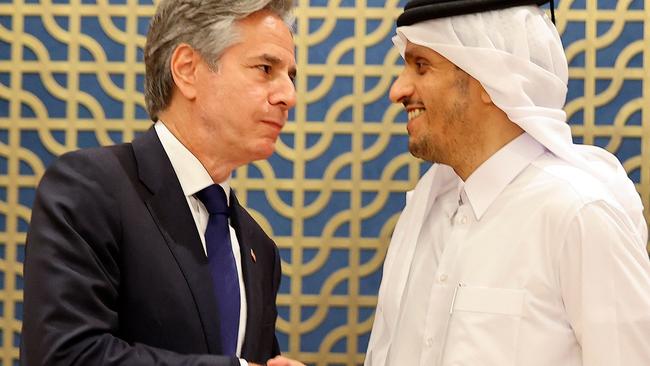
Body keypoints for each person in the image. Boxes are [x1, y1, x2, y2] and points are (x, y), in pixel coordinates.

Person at [365, 0, 650, 365]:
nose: (398, 90)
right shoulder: (427, 210)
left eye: (421, 66)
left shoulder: (578, 213)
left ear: (491, 79)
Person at [21, 0, 304, 365]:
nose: (289, 96)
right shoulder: (90, 190)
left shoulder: (259, 249)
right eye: (266, 68)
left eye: (290, 76)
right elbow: (64, 356)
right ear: (187, 70)